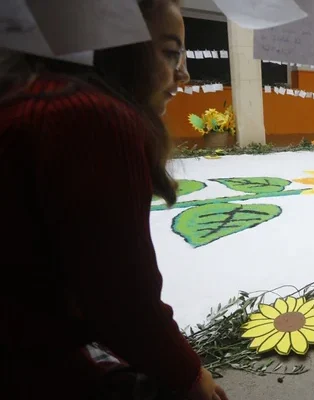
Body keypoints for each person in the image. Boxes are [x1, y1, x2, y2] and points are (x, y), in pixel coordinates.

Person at [0, 1, 228, 400]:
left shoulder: (32, 95)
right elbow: (123, 301)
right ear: (123, 47)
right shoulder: (90, 117)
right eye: (171, 52)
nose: (185, 74)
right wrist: (190, 376)